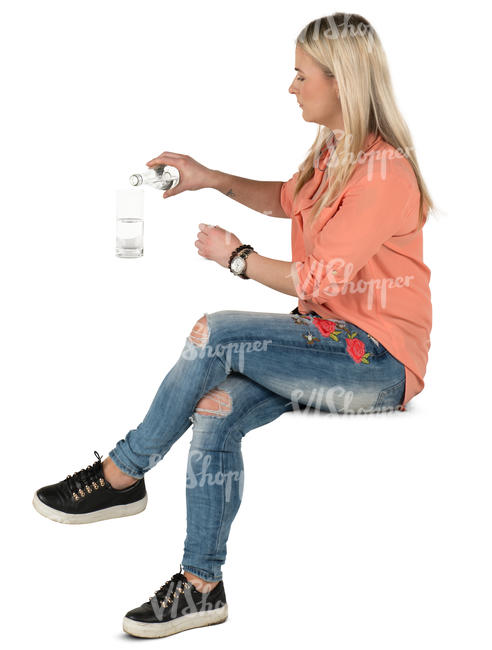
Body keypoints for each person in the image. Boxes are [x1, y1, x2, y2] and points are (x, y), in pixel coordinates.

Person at [32, 12, 433, 639]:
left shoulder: (386, 171)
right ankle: (201, 585)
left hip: (375, 362)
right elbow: (287, 199)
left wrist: (237, 258)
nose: (291, 87)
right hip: (321, 343)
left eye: (302, 76)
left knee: (216, 330)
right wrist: (209, 178)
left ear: (342, 82)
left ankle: (123, 474)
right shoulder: (335, 149)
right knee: (215, 408)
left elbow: (320, 281)